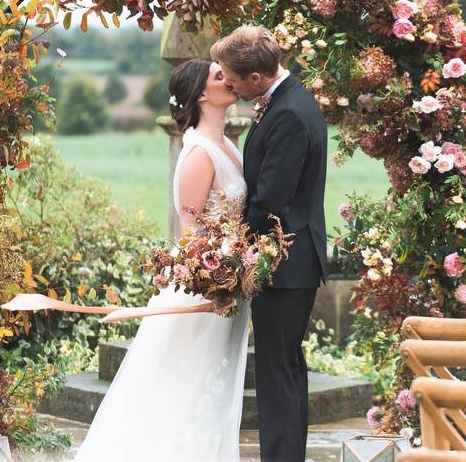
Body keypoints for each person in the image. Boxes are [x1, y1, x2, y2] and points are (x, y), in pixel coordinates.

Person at [74, 58, 250, 462]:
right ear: (203, 94)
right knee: (183, 385)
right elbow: (191, 233)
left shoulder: (227, 145)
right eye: (220, 76)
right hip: (203, 288)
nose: (231, 80)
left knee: (213, 386)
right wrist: (219, 278)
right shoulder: (199, 153)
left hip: (231, 283)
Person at [211, 24, 329, 462]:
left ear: (256, 78)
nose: (228, 84)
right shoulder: (286, 101)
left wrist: (233, 250)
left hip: (284, 263)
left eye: (232, 78)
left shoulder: (290, 114)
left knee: (277, 375)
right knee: (284, 369)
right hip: (286, 263)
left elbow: (271, 200)